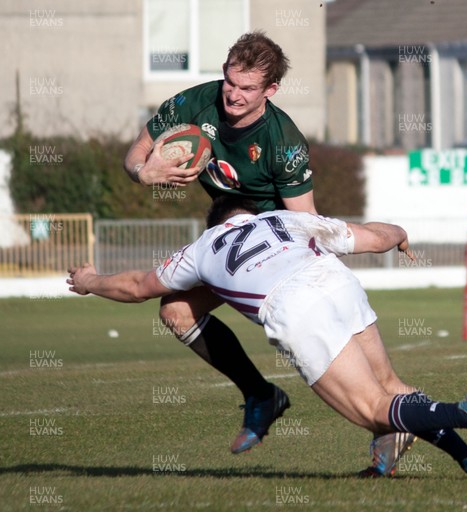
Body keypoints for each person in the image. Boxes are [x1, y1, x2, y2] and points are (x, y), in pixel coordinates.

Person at [68, 197, 467, 479]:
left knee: (374, 412)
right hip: (336, 281)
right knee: (391, 388)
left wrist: (90, 281)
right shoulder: (286, 220)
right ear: (249, 212)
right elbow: (373, 236)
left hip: (294, 308)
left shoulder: (204, 246)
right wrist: (402, 235)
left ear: (216, 222)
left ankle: (464, 412)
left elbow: (135, 287)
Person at [122, 31, 317, 455]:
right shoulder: (193, 103)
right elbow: (134, 154)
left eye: (247, 88)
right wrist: (143, 172)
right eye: (229, 82)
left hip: (278, 251)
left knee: (309, 345)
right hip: (231, 243)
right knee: (176, 310)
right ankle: (261, 396)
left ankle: (388, 420)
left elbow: (306, 222)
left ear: (271, 90)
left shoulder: (284, 141)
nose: (233, 94)